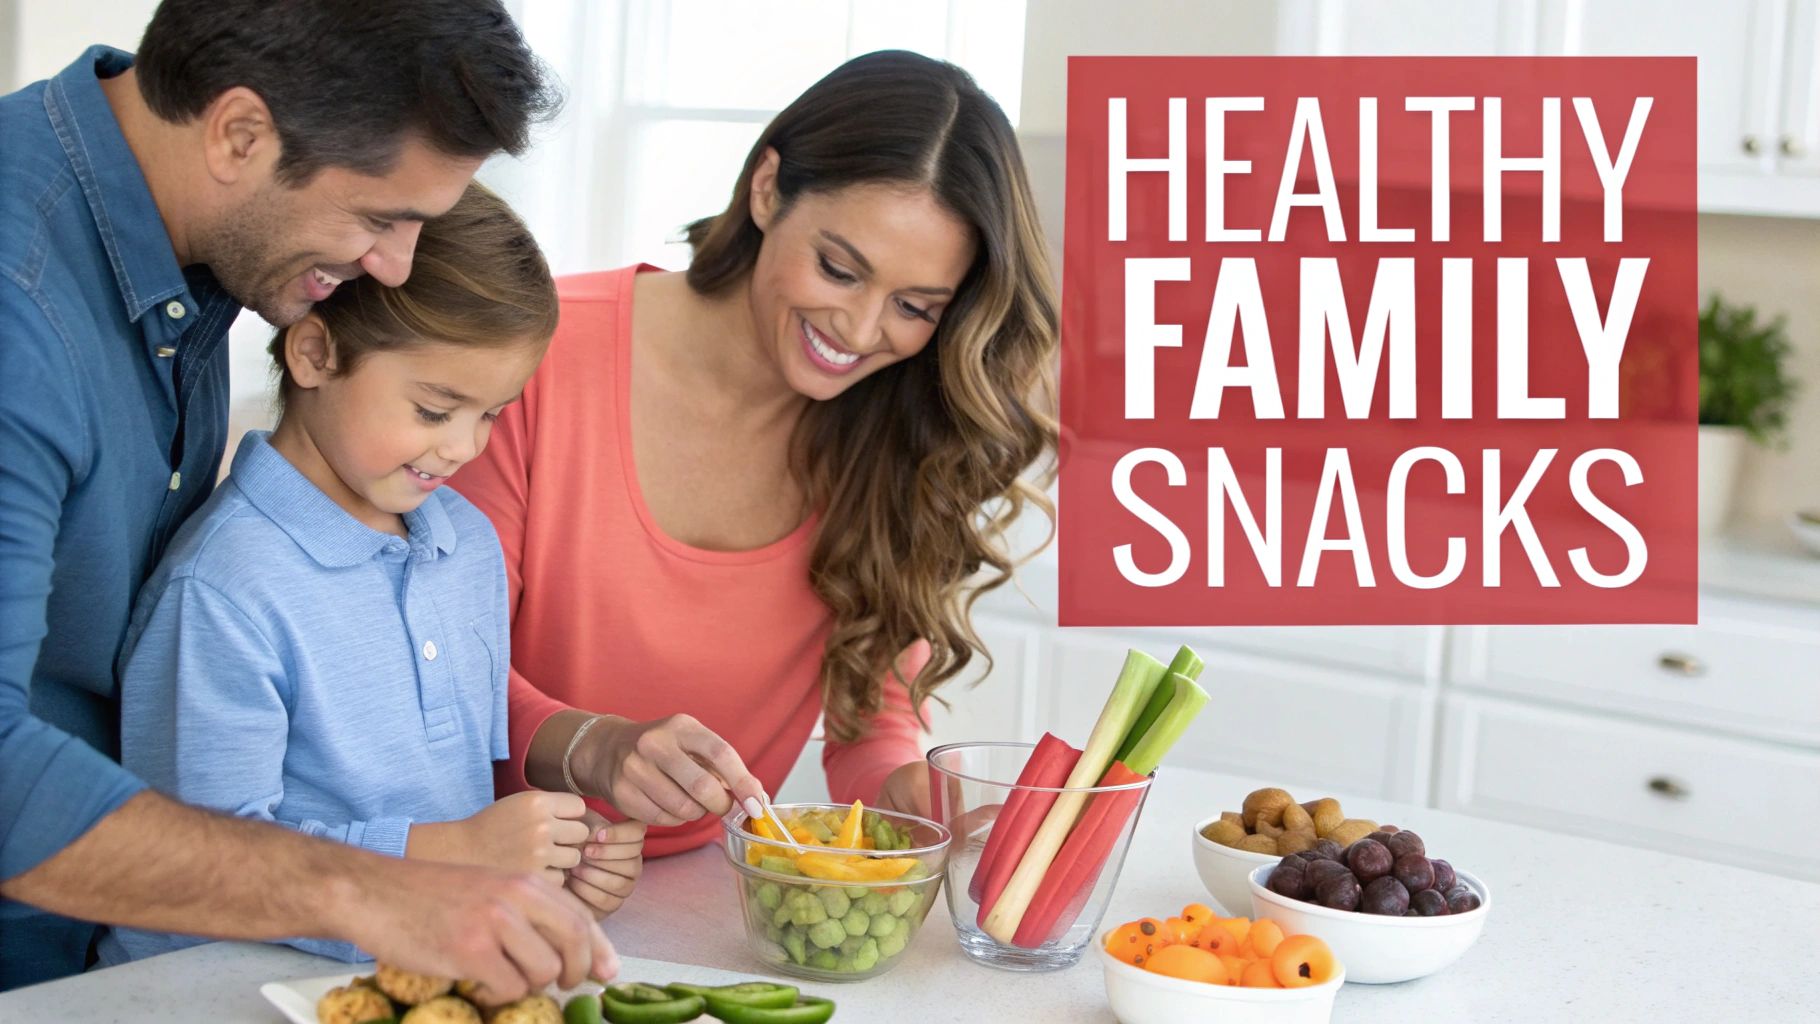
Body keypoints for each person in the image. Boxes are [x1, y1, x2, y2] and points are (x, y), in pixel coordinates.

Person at [0, 0, 612, 996]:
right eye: (383, 217)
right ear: (239, 132)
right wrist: (381, 888)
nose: (397, 264)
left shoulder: (194, 248)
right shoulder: (18, 304)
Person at [450, 50, 1059, 858]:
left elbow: (869, 703)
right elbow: (433, 656)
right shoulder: (533, 357)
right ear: (767, 187)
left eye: (914, 306)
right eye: (840, 269)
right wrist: (594, 745)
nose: (861, 329)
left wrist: (900, 786)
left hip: (699, 896)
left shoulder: (892, 427)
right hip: (478, 871)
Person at [99, 183, 647, 968]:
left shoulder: (466, 545)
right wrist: (454, 851)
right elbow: (202, 871)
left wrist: (547, 862)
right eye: (434, 410)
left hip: (416, 978)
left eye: (491, 413)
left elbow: (452, 804)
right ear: (315, 354)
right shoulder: (223, 590)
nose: (464, 448)